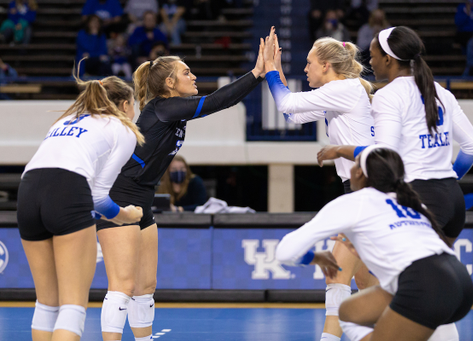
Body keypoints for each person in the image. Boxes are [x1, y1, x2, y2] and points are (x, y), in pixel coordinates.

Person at [318, 26, 473, 340]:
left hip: (420, 198)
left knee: (418, 290)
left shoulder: (388, 96)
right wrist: (447, 178)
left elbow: (385, 155)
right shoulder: (440, 91)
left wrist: (340, 150)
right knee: (433, 284)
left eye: (374, 55)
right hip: (451, 199)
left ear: (390, 59)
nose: (371, 61)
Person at [95, 40, 266, 341]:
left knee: (146, 286)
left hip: (143, 199)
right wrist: (256, 73)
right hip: (119, 195)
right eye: (187, 72)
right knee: (122, 285)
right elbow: (217, 102)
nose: (194, 77)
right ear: (170, 82)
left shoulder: (173, 112)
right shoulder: (162, 108)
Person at [276, 146, 473, 341]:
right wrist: (361, 249)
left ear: (360, 173)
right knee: (349, 311)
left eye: (354, 164)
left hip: (423, 282)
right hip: (460, 283)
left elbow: (285, 251)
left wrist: (316, 257)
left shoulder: (355, 202)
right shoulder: (410, 201)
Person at [263, 27, 376, 341]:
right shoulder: (342, 91)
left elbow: (286, 104)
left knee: (336, 273)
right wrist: (276, 67)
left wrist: (270, 68)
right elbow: (294, 115)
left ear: (326, 65)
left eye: (309, 63)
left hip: (366, 190)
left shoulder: (345, 89)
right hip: (359, 188)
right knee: (367, 283)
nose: (305, 69)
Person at [17, 71, 144, 341]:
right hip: (66, 188)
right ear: (124, 106)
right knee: (73, 306)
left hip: (27, 190)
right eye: (133, 104)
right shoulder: (122, 128)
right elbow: (98, 197)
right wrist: (126, 215)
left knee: (46, 303)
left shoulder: (66, 120)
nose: (134, 111)